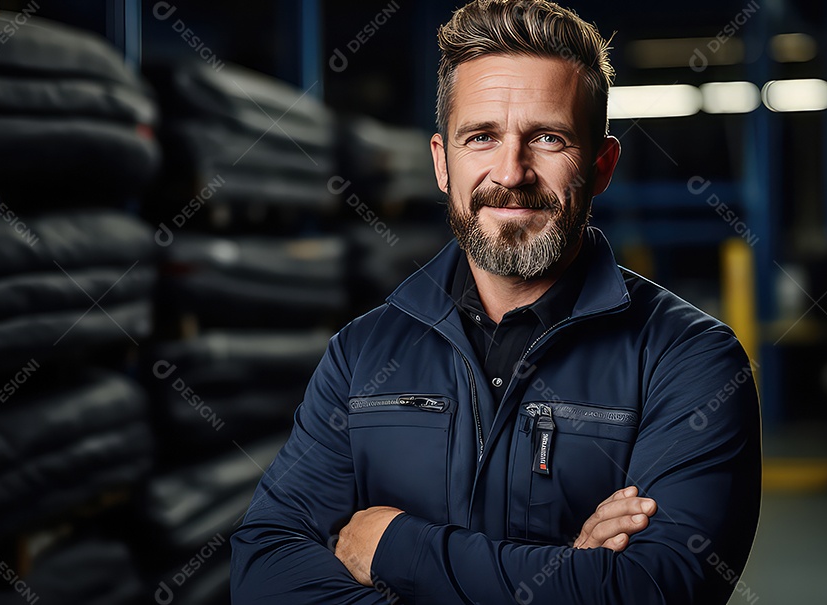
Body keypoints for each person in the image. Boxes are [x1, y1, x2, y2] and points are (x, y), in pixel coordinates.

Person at [231, 1, 761, 603]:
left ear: (602, 165)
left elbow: (657, 589)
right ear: (442, 164)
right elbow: (264, 572)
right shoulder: (362, 354)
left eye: (548, 138)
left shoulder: (687, 360)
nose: (511, 172)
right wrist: (567, 577)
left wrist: (396, 547)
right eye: (482, 137)